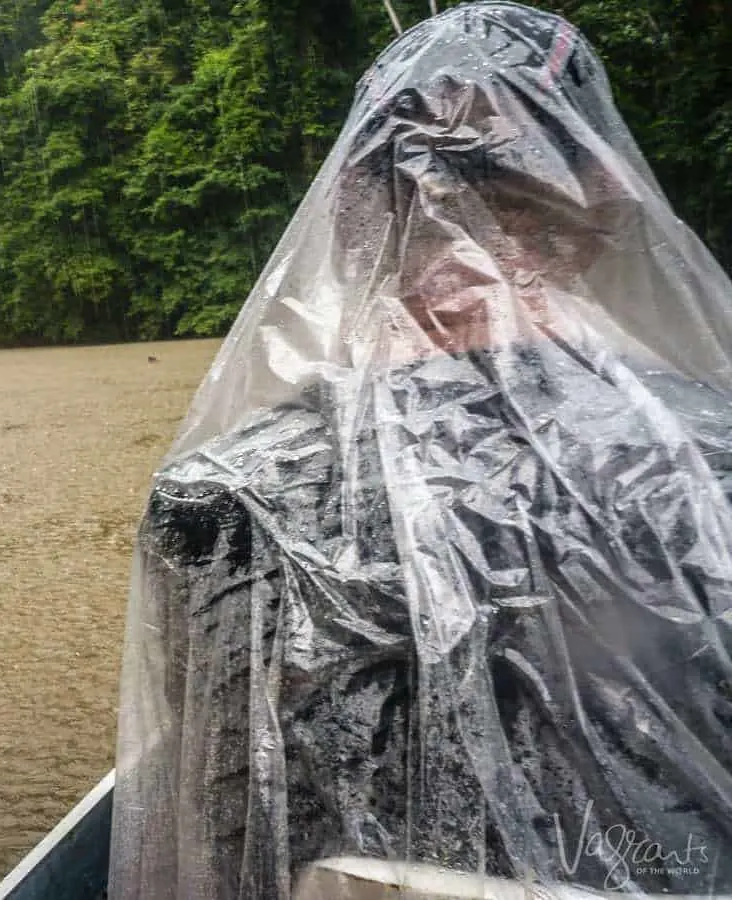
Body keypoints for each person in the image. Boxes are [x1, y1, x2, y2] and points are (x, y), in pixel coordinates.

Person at [108, 3, 732, 899]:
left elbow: (211, 838)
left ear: (353, 203)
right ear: (605, 193)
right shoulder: (708, 474)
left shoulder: (215, 505)